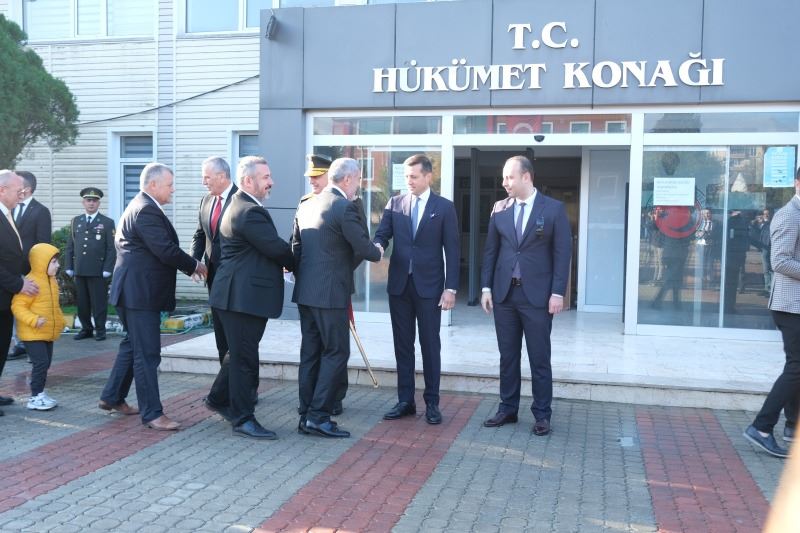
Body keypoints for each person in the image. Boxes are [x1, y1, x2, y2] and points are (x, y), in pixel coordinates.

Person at [99, 163, 207, 430]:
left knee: (132, 345)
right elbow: (164, 249)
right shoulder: (146, 209)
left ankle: (112, 397)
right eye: (169, 185)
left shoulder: (141, 206)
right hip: (139, 295)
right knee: (147, 353)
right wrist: (195, 265)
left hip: (133, 292)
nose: (173, 190)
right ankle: (153, 414)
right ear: (153, 185)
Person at [480, 155, 572, 436]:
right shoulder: (499, 209)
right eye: (504, 177)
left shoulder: (553, 209)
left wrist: (557, 293)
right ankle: (507, 408)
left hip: (538, 298)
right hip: (505, 295)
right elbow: (491, 251)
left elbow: (562, 254)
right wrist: (486, 288)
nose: (504, 183)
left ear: (526, 177)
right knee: (507, 357)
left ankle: (542, 414)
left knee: (539, 358)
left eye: (509, 177)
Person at [205, 156, 294, 439]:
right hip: (241, 299)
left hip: (235, 296)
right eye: (266, 177)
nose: (271, 182)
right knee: (244, 359)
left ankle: (218, 399)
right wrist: (300, 261)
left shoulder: (238, 205)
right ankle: (243, 419)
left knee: (237, 354)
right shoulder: (249, 211)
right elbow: (275, 248)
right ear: (247, 181)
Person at [292, 157, 382, 438]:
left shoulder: (306, 204)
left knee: (310, 353)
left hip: (306, 292)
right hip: (330, 294)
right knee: (336, 352)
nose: (358, 186)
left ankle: (306, 414)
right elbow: (364, 247)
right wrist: (378, 250)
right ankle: (319, 416)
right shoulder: (343, 207)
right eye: (358, 180)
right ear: (348, 179)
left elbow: (295, 247)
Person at [373, 154, 460, 425]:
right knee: (403, 345)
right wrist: (377, 246)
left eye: (413, 176)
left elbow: (453, 250)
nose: (408, 181)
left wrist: (451, 288)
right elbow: (382, 234)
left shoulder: (444, 207)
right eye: (406, 177)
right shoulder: (395, 203)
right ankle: (405, 401)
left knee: (430, 345)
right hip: (399, 286)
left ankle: (432, 403)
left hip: (430, 288)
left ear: (428, 177)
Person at [743, 167, 800, 458]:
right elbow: (779, 261)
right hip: (790, 306)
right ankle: (761, 427)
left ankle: (792, 426)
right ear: (798, 183)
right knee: (796, 367)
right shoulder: (789, 215)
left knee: (797, 366)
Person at [190, 156, 237, 364]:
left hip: (236, 278)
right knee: (220, 333)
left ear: (221, 176)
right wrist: (193, 263)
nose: (204, 182)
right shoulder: (206, 200)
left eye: (207, 177)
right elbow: (200, 235)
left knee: (236, 334)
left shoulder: (241, 200)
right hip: (213, 276)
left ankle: (241, 381)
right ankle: (224, 378)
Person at [0, 170, 39, 415]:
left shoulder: (7, 214)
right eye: (18, 191)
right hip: (5, 290)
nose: (22, 195)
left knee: (2, 346)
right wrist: (18, 284)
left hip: (6, 297)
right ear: (2, 190)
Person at [11, 243, 65, 410]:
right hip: (32, 333)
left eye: (57, 262)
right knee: (40, 363)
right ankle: (35, 397)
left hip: (47, 332)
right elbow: (18, 307)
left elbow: (54, 306)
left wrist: (60, 321)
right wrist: (33, 320)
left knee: (45, 364)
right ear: (42, 262)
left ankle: (40, 393)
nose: (58, 265)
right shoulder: (31, 283)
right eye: (54, 262)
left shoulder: (52, 281)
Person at [8, 171, 51, 360]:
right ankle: (18, 343)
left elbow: (43, 244)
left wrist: (38, 271)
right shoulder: (9, 208)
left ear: (26, 189)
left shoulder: (40, 211)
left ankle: (32, 346)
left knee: (29, 309)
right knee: (14, 307)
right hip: (10, 270)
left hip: (29, 270)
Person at [64, 187, 116, 341]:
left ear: (99, 203)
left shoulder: (107, 223)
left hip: (98, 270)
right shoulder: (76, 221)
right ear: (83, 202)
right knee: (83, 303)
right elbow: (70, 246)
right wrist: (69, 266)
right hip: (80, 269)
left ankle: (100, 330)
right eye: (88, 200)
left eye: (94, 201)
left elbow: (111, 248)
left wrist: (108, 268)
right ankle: (86, 329)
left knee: (98, 303)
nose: (91, 203)